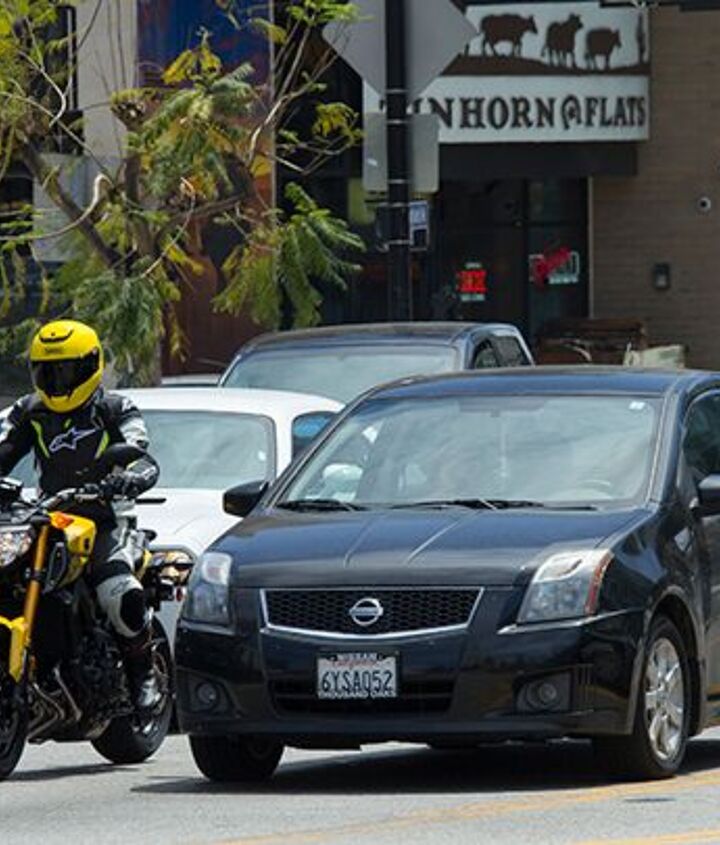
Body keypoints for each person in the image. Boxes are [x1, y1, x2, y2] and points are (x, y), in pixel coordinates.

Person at [0, 319, 161, 713]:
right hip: (49, 517)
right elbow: (3, 448)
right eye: (47, 371)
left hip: (105, 517)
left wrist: (125, 480)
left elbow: (139, 451)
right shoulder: (29, 412)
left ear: (92, 366)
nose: (57, 381)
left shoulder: (114, 408)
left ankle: (145, 674)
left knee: (117, 591)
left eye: (67, 371)